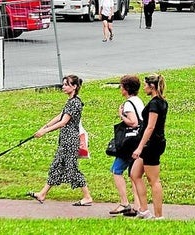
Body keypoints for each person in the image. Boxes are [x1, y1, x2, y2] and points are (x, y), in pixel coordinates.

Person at [27, 75, 93, 206]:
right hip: (65, 140)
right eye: (63, 84)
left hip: (70, 140)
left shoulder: (75, 102)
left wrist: (45, 131)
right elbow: (59, 116)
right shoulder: (70, 101)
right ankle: (42, 194)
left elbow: (63, 122)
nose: (63, 87)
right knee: (57, 166)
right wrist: (44, 126)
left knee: (71, 168)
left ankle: (87, 196)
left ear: (74, 87)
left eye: (66, 84)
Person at [131, 73, 169, 219]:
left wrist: (140, 147)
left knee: (154, 180)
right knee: (135, 174)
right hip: (153, 143)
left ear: (152, 86)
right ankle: (144, 210)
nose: (144, 88)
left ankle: (159, 216)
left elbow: (150, 127)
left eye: (146, 85)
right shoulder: (162, 102)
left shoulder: (154, 104)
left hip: (151, 144)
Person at [109, 75, 145, 216]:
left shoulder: (129, 104)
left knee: (116, 170)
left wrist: (121, 116)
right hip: (138, 141)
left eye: (122, 86)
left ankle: (124, 202)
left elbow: (133, 122)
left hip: (129, 142)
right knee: (133, 173)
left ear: (126, 88)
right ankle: (137, 206)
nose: (120, 88)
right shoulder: (138, 101)